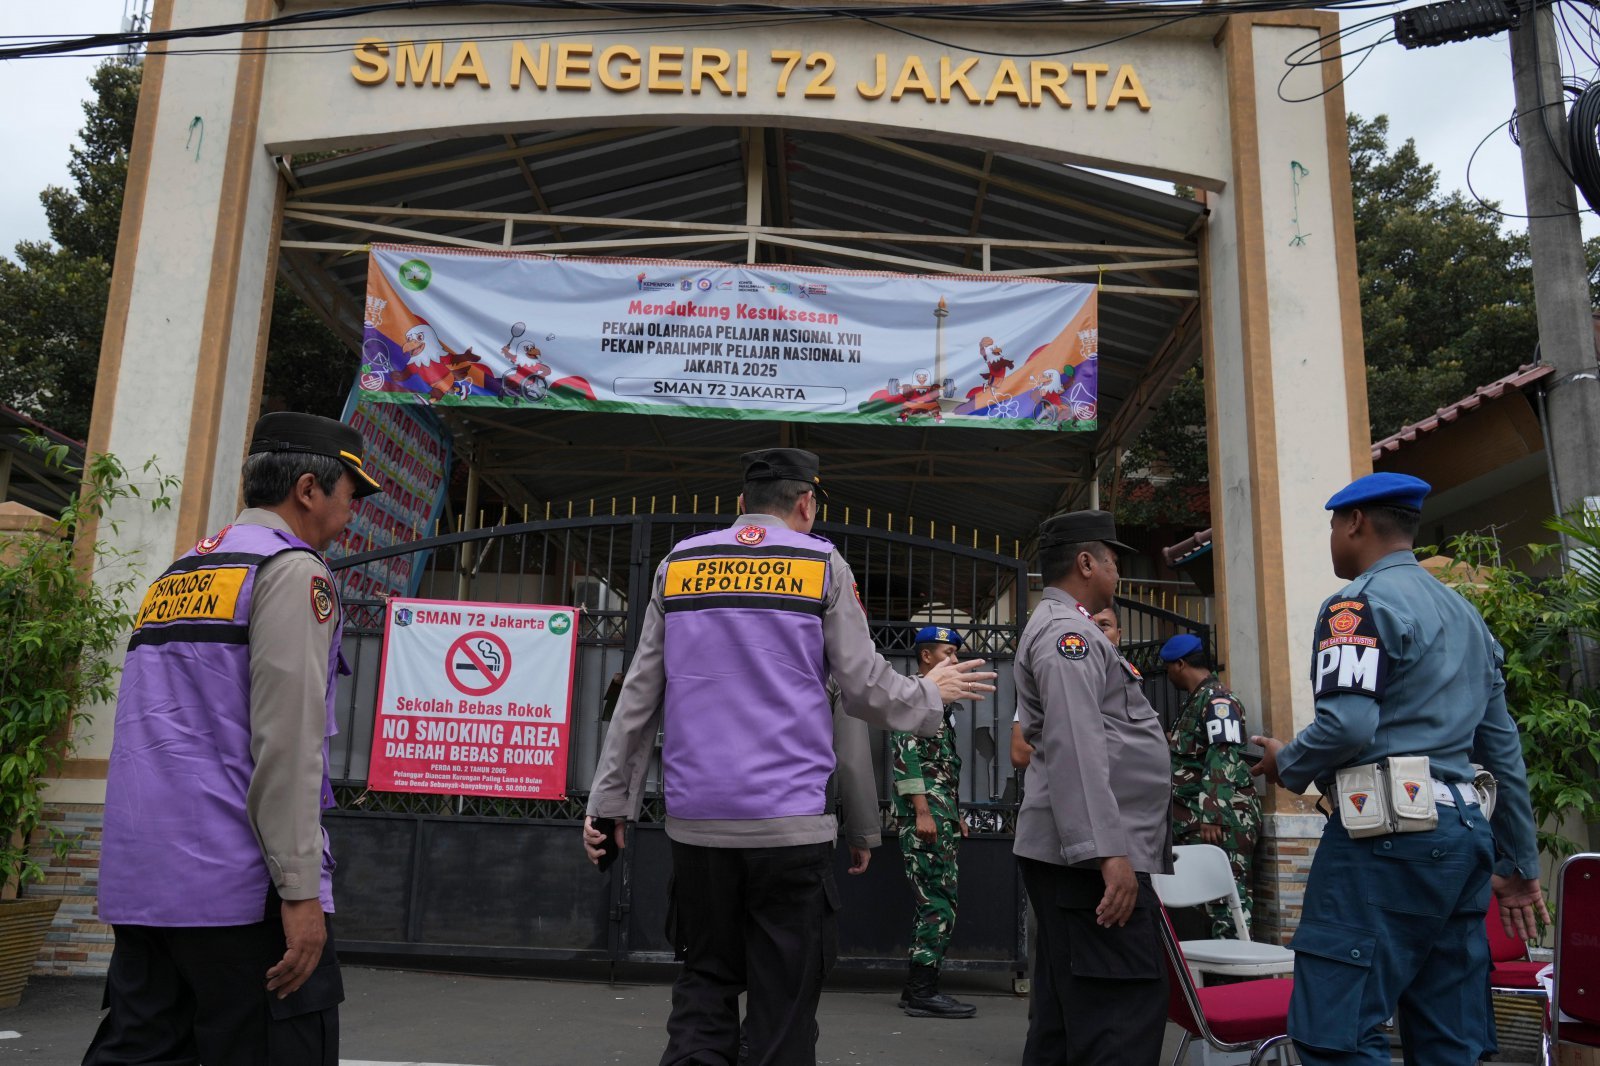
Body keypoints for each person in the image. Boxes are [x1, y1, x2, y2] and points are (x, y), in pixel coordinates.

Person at [581, 448, 996, 1066]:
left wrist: (610, 804)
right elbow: (862, 688)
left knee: (704, 986)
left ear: (740, 505)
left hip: (699, 828)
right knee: (783, 1004)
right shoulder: (822, 564)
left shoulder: (680, 565)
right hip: (787, 830)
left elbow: (639, 698)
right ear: (806, 503)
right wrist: (929, 695)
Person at [86, 411, 383, 1066]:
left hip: (147, 881)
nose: (354, 511)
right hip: (241, 890)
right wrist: (301, 891)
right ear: (308, 489)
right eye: (351, 494)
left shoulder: (178, 575)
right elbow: (287, 743)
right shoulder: (291, 570)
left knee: (143, 1050)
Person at [1251, 472, 1547, 1065]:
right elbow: (1502, 752)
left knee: (1337, 1031)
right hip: (1465, 838)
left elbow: (1347, 727)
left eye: (1334, 525)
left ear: (1355, 522)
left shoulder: (1357, 605)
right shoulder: (1468, 618)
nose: (1333, 537)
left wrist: (1290, 763)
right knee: (1451, 1037)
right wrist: (1519, 864)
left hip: (1386, 842)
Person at [1012, 511, 1173, 1066]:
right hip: (1087, 862)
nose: (1118, 572)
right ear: (1086, 562)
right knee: (1119, 1014)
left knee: (1067, 1017)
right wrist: (1110, 852)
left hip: (1075, 856)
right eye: (1113, 559)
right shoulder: (1068, 636)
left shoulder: (1070, 628)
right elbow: (1076, 745)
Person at [890, 625, 977, 1019]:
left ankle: (917, 989)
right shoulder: (914, 696)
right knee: (937, 903)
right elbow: (904, 755)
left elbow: (940, 765)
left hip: (939, 813)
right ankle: (923, 991)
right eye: (949, 654)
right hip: (923, 816)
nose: (955, 662)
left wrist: (952, 813)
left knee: (937, 900)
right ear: (927, 657)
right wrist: (924, 811)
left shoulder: (936, 700)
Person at [1159, 633, 1262, 940]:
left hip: (1224, 821)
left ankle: (1235, 980)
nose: (1167, 675)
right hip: (1199, 820)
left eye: (1168, 668)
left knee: (1226, 901)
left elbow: (1223, 755)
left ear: (1179, 664)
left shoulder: (1217, 701)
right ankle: (1217, 977)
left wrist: (1212, 814)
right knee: (1210, 902)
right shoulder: (1197, 700)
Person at [1010, 605, 1119, 770]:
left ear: (1118, 635)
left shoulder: (1127, 684)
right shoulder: (1054, 679)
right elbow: (1020, 753)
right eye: (1089, 624)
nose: (1096, 632)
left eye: (1104, 625)